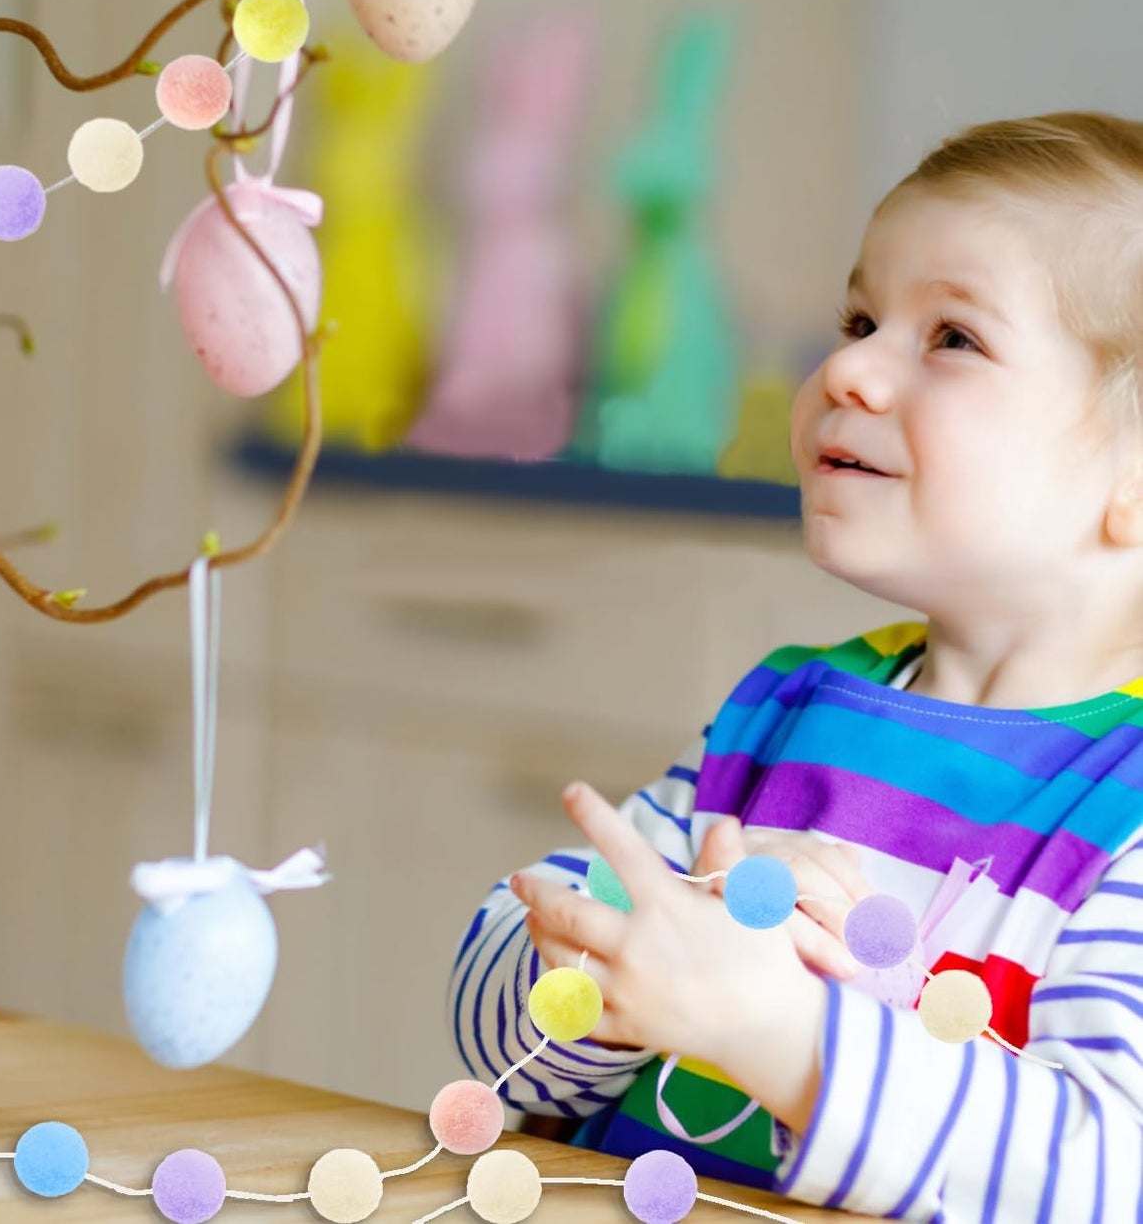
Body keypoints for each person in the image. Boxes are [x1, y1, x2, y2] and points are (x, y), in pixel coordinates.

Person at [447, 113, 1143, 1221]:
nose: (847, 367)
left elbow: (1107, 1172)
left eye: (951, 336)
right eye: (860, 317)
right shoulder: (776, 711)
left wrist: (774, 1034)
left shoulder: (1121, 807)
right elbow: (492, 1035)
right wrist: (629, 961)